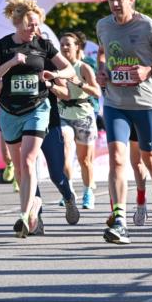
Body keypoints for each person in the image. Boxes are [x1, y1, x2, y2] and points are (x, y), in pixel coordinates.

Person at [0, 0, 76, 237]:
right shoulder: (3, 46)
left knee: (28, 160)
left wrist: (53, 75)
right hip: (10, 112)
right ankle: (33, 207)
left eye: (38, 24)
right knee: (21, 169)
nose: (35, 29)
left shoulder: (43, 45)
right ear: (18, 23)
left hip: (38, 109)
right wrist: (11, 63)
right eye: (31, 25)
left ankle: (25, 216)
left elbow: (69, 69)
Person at [96, 0, 152, 245]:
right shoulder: (103, 25)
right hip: (115, 103)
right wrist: (102, 70)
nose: (115, 4)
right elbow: (103, 52)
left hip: (144, 104)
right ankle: (119, 220)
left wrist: (149, 70)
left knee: (149, 160)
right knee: (117, 159)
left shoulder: (147, 26)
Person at [54, 32, 101, 209]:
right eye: (62, 44)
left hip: (84, 115)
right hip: (63, 114)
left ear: (77, 47)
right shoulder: (57, 68)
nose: (65, 47)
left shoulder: (83, 68)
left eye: (68, 44)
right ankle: (69, 192)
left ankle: (88, 191)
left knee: (85, 160)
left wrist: (79, 83)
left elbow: (97, 92)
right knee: (65, 153)